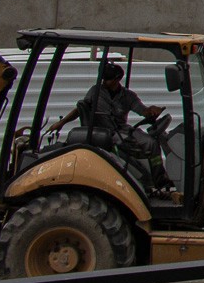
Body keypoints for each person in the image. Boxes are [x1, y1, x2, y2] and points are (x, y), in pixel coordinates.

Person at [49, 61, 173, 193]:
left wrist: (151, 111)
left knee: (151, 142)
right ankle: (141, 179)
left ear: (117, 79)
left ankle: (159, 180)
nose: (104, 82)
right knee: (126, 142)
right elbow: (79, 109)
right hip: (103, 132)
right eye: (104, 79)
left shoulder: (128, 96)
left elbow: (143, 111)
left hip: (122, 129)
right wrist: (61, 123)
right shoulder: (95, 91)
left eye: (108, 79)